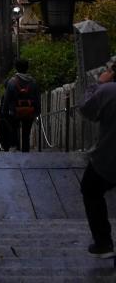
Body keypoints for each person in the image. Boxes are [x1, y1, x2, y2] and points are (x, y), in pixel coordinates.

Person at [79, 61, 116, 258]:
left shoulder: (109, 91)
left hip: (109, 158)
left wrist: (98, 84)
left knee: (90, 189)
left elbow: (86, 108)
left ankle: (103, 242)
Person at [2, 58, 40, 153]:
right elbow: (37, 98)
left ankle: (15, 148)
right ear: (27, 68)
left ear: (16, 68)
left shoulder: (11, 82)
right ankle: (25, 152)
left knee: (14, 129)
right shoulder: (33, 82)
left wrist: (4, 111)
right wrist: (37, 111)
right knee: (26, 134)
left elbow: (7, 98)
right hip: (29, 111)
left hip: (14, 111)